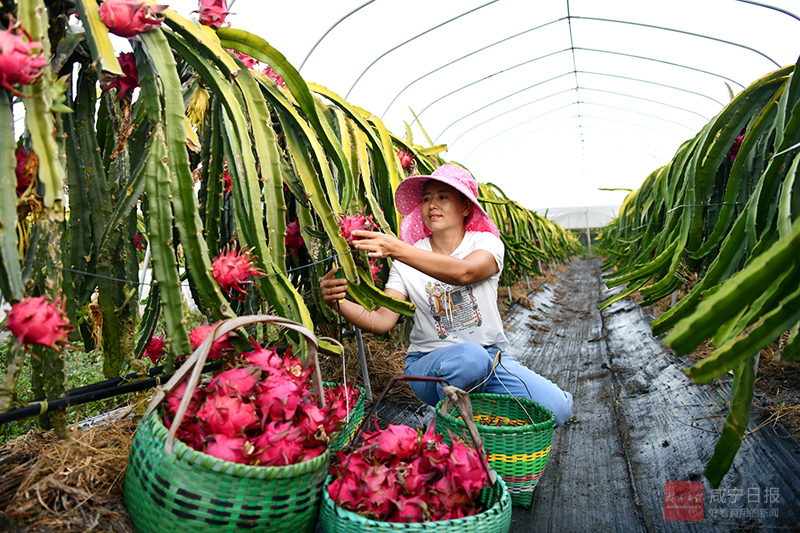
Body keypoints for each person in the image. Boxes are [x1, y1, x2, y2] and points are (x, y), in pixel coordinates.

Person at [319, 164, 573, 426]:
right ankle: (447, 434)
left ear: (465, 207)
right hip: (427, 367)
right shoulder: (405, 259)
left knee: (559, 408)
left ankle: (473, 420)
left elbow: (464, 272)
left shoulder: (486, 244)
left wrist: (396, 248)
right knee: (469, 359)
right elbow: (381, 321)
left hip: (490, 360)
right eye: (426, 199)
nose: (432, 205)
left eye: (443, 197)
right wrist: (339, 303)